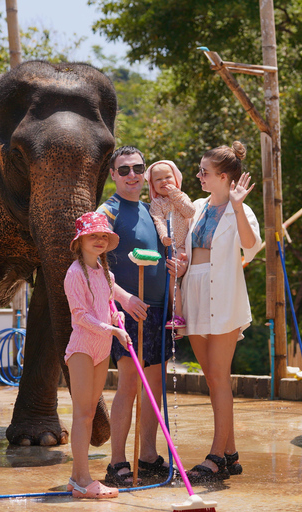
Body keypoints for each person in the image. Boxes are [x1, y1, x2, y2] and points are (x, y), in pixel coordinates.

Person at [181, 141, 262, 482]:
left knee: (218, 376)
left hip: (224, 297)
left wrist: (239, 206)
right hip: (194, 294)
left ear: (224, 177)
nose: (198, 175)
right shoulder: (197, 206)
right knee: (213, 378)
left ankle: (215, 455)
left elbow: (250, 246)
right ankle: (230, 453)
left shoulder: (239, 209)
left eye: (205, 172)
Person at [96, 146, 175, 486]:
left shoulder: (150, 210)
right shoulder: (107, 212)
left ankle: (148, 455)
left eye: (137, 168)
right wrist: (125, 299)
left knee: (154, 387)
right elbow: (93, 266)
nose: (132, 175)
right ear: (112, 174)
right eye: (123, 169)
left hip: (159, 312)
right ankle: (117, 463)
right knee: (128, 384)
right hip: (126, 312)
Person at [63, 211, 137, 499]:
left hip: (102, 347)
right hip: (82, 347)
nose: (99, 239)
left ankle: (75, 478)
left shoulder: (107, 274)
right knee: (82, 414)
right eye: (93, 235)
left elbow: (107, 305)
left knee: (91, 413)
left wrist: (116, 316)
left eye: (103, 235)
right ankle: (82, 479)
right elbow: (80, 316)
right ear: (79, 241)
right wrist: (113, 329)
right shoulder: (74, 273)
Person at [145, 160, 196, 337]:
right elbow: (158, 220)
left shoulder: (181, 196)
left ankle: (179, 317)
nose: (164, 181)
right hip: (170, 247)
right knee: (172, 281)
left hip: (185, 246)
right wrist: (163, 235)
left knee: (178, 279)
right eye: (158, 179)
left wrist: (175, 195)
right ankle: (177, 317)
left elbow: (190, 212)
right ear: (152, 184)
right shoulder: (157, 203)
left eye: (168, 177)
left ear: (176, 178)